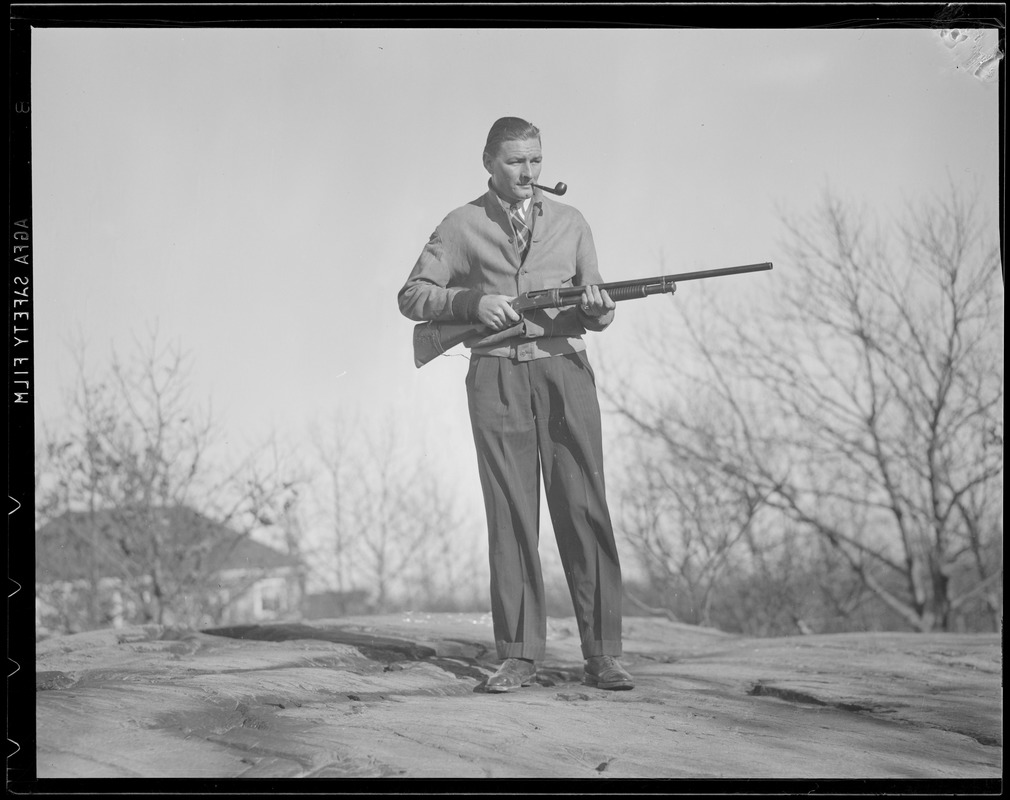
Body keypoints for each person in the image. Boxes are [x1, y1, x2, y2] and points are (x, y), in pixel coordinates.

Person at [397, 117, 633, 693]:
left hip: (564, 373)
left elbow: (592, 303)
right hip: (496, 376)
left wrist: (601, 308)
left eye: (535, 161)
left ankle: (602, 654)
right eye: (515, 162)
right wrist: (473, 303)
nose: (528, 173)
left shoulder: (572, 223)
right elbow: (412, 296)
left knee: (583, 507)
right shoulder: (460, 224)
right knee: (510, 515)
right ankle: (520, 655)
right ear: (488, 162)